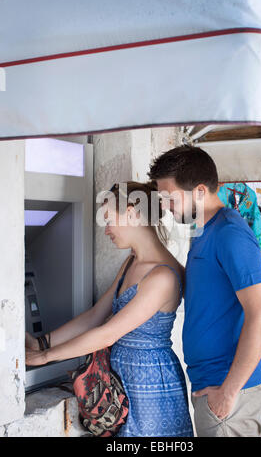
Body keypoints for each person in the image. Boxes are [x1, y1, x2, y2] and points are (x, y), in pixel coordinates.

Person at [25, 180, 194, 438]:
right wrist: (41, 344)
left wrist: (46, 358)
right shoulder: (131, 262)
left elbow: (107, 333)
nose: (106, 230)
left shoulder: (163, 276)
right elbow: (95, 316)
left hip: (150, 386)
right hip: (122, 381)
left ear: (131, 213)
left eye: (109, 218)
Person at [148, 144, 261, 438]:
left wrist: (228, 393)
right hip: (214, 386)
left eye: (170, 198)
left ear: (200, 191)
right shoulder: (203, 230)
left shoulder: (230, 233)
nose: (166, 206)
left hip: (229, 393)